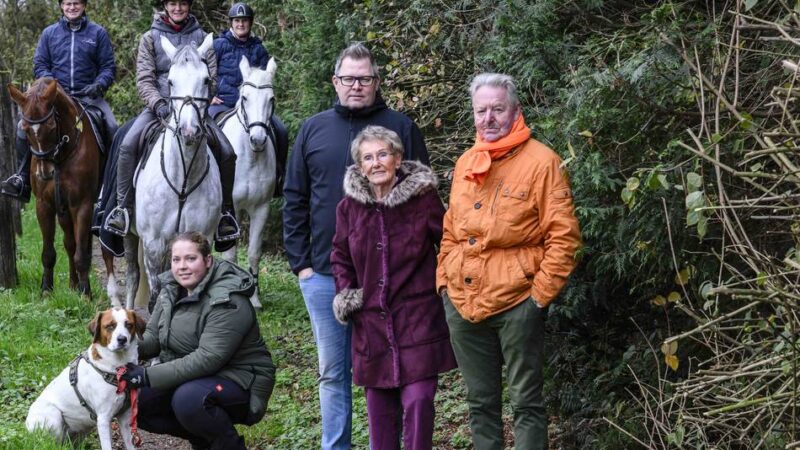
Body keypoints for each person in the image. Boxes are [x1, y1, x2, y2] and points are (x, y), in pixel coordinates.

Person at [283, 42, 429, 450]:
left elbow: (424, 198)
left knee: (393, 370)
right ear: (335, 81)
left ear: (377, 82)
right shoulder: (313, 129)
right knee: (333, 372)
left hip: (392, 282)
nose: (356, 86)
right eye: (349, 78)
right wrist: (301, 265)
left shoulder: (401, 128)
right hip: (324, 275)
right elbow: (294, 196)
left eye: (364, 78)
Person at [436, 73, 581, 450]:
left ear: (515, 111)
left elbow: (564, 237)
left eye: (497, 109)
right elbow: (451, 229)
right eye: (480, 110)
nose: (488, 118)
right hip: (463, 304)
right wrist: (444, 284)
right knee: (480, 403)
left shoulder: (543, 162)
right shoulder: (466, 162)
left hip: (517, 302)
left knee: (526, 402)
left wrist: (538, 298)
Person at [330, 126, 456, 450]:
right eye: (368, 158)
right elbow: (340, 256)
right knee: (380, 419)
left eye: (383, 154)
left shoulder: (422, 199)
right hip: (371, 326)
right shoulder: (348, 209)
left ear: (397, 159)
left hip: (418, 320)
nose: (376, 163)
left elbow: (449, 243)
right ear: (360, 167)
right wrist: (348, 293)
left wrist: (445, 284)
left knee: (419, 401)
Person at [120, 231, 275, 450]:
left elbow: (208, 358)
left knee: (189, 400)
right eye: (176, 260)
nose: (182, 266)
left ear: (208, 260)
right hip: (194, 378)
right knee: (135, 401)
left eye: (191, 258)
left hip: (239, 379)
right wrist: (118, 346)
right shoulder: (171, 290)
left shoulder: (227, 300)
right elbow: (153, 338)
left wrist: (146, 376)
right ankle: (204, 440)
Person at [104, 0, 240, 248]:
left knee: (227, 152)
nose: (178, 8)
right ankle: (122, 209)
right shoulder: (150, 38)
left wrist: (198, 105)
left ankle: (225, 215)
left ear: (189, 6)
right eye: (173, 3)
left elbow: (211, 79)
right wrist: (159, 104)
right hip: (159, 108)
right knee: (128, 145)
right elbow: (144, 79)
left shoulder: (202, 38)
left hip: (196, 111)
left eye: (183, 3)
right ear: (166, 6)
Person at [0, 0, 116, 203]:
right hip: (54, 99)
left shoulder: (98, 33)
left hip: (88, 97)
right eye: (68, 3)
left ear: (84, 5)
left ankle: (109, 185)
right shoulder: (49, 33)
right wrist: (52, 87)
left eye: (76, 3)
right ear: (61, 6)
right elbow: (40, 65)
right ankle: (22, 179)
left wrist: (99, 84)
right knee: (22, 128)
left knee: (113, 128)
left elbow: (108, 67)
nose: (72, 7)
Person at [209, 2, 289, 197]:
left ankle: (278, 177)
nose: (240, 24)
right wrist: (210, 96)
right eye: (237, 20)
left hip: (253, 108)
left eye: (244, 21)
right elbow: (207, 72)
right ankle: (209, 178)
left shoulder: (258, 48)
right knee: (207, 130)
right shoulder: (218, 45)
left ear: (250, 23)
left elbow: (266, 78)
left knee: (280, 130)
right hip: (223, 103)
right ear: (231, 23)